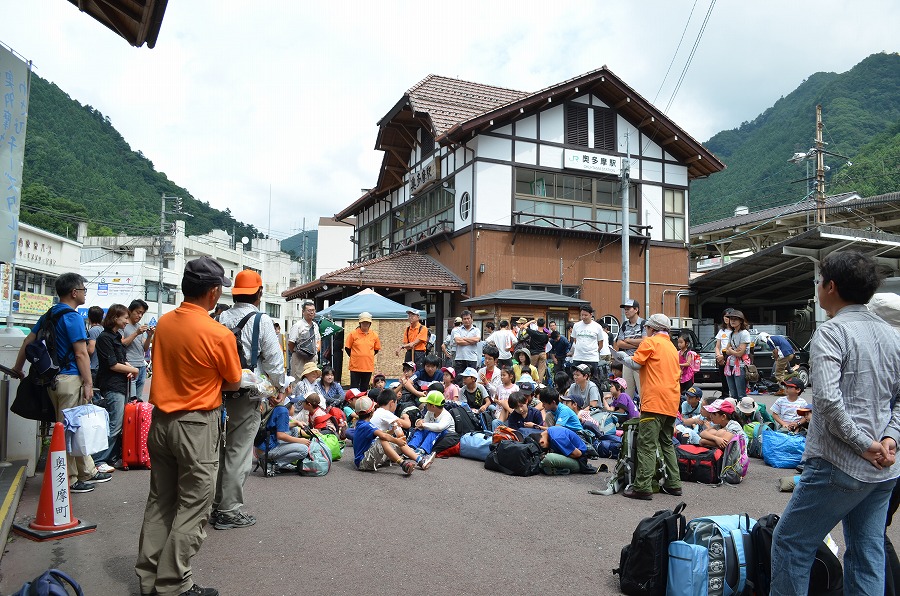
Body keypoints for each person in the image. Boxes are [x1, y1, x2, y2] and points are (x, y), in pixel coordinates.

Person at [772, 250, 900, 595]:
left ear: (830, 286)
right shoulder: (893, 336)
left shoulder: (831, 332)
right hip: (886, 468)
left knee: (790, 543)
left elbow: (827, 400)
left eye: (819, 280)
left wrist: (864, 444)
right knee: (866, 549)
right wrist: (889, 438)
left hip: (838, 462)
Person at [135, 256, 242, 596]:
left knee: (160, 501)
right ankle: (174, 585)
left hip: (161, 423)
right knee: (194, 505)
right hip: (196, 426)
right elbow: (234, 381)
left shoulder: (164, 323)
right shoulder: (218, 333)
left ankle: (149, 579)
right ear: (213, 292)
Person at [11, 273, 112, 494]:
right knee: (68, 432)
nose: (85, 293)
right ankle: (69, 479)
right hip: (70, 380)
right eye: (84, 289)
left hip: (52, 380)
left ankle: (86, 472)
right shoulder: (73, 317)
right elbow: (81, 354)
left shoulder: (50, 313)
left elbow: (28, 341)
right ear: (74, 292)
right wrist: (88, 382)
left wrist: (18, 368)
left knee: (71, 429)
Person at [211, 269, 286, 532]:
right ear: (259, 294)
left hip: (218, 393)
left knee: (221, 449)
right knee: (238, 451)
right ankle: (228, 511)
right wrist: (280, 386)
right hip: (247, 395)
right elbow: (274, 362)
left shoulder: (220, 318)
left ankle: (216, 503)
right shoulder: (261, 320)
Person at [615, 313, 682, 500]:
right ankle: (674, 484)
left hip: (654, 400)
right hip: (671, 400)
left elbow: (635, 364)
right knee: (666, 442)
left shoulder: (650, 342)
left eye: (647, 328)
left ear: (651, 328)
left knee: (647, 444)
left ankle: (643, 486)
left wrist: (620, 357)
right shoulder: (672, 347)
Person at [92, 303, 140, 472]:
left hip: (120, 384)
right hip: (112, 385)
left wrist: (128, 369)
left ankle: (111, 458)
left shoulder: (115, 336)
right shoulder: (104, 338)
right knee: (114, 424)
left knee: (118, 423)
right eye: (125, 318)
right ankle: (98, 461)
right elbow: (112, 364)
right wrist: (133, 369)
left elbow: (120, 360)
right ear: (115, 318)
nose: (127, 321)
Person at [351, 396, 418, 475]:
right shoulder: (366, 426)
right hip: (363, 463)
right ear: (372, 411)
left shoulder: (362, 424)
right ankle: (403, 464)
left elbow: (382, 434)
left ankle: (419, 460)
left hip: (369, 458)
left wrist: (392, 431)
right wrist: (396, 440)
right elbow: (383, 436)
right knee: (382, 440)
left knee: (395, 443)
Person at [256, 394, 309, 474]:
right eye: (293, 405)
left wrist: (296, 423)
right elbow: (280, 435)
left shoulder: (277, 407)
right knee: (304, 450)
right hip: (266, 449)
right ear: (289, 407)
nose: (294, 408)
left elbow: (277, 426)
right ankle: (272, 465)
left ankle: (281, 462)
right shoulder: (283, 412)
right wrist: (300, 440)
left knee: (293, 429)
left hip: (262, 445)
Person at [121, 299, 154, 399]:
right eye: (138, 312)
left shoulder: (139, 326)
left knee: (139, 401)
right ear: (130, 310)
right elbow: (122, 344)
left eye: (142, 314)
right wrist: (136, 333)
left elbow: (145, 348)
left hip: (141, 366)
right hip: (130, 365)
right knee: (132, 399)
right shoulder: (123, 325)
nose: (140, 316)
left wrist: (149, 336)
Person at [408, 390, 453, 461]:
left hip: (445, 439)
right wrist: (420, 424)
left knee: (435, 431)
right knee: (420, 429)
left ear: (433, 406)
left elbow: (439, 427)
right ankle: (411, 447)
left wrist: (423, 424)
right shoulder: (430, 412)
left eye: (427, 403)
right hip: (433, 438)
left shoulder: (446, 416)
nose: (425, 405)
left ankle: (422, 450)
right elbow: (425, 423)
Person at [614, 299, 646, 399]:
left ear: (636, 309)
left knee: (642, 391)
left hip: (640, 360)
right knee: (627, 391)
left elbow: (645, 341)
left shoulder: (644, 323)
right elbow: (619, 343)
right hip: (627, 360)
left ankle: (643, 413)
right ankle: (629, 413)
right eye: (625, 309)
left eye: (628, 309)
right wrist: (636, 343)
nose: (626, 311)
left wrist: (628, 340)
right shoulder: (624, 325)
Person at [344, 311, 381, 391]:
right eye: (363, 322)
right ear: (360, 322)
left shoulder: (374, 335)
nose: (365, 324)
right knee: (354, 388)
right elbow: (347, 348)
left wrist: (367, 355)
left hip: (368, 366)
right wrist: (356, 356)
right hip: (355, 367)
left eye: (367, 322)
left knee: (364, 388)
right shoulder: (353, 334)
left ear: (370, 323)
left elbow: (376, 349)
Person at [570, 305, 604, 381]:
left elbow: (601, 343)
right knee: (576, 378)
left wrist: (594, 351)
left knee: (592, 379)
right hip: (578, 357)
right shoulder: (576, 325)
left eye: (586, 315)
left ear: (591, 315)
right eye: (582, 315)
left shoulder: (597, 326)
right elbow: (575, 340)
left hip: (592, 358)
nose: (583, 317)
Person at [722, 310, 750, 400]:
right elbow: (726, 350)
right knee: (733, 395)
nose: (732, 321)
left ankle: (743, 412)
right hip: (730, 365)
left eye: (735, 319)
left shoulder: (744, 333)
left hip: (741, 366)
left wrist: (731, 350)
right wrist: (733, 351)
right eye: (731, 319)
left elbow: (740, 353)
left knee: (741, 395)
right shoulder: (731, 334)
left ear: (741, 321)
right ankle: (735, 413)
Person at [288, 299, 321, 375]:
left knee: (312, 378)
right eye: (309, 310)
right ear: (303, 312)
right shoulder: (297, 325)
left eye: (313, 310)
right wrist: (296, 352)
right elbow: (291, 343)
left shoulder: (315, 326)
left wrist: (315, 351)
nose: (312, 312)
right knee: (298, 379)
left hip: (312, 358)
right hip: (299, 359)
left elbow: (318, 340)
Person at [519, 318, 549, 382]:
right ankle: (539, 383)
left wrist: (531, 321)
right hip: (542, 353)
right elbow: (546, 343)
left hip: (534, 353)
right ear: (544, 325)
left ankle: (530, 381)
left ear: (537, 324)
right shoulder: (545, 336)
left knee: (530, 368)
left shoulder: (533, 333)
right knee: (541, 370)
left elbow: (524, 326)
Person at [451, 310, 480, 378]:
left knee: (471, 379)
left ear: (472, 319)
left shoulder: (476, 330)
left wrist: (463, 338)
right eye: (464, 319)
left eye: (468, 318)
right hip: (459, 358)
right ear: (462, 320)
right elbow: (458, 341)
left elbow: (477, 339)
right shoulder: (457, 330)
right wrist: (471, 340)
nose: (466, 320)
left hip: (472, 358)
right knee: (459, 379)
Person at [714, 309, 733, 398]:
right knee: (723, 378)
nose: (726, 318)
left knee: (732, 378)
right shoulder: (722, 331)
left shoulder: (736, 331)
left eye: (728, 316)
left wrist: (723, 356)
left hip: (731, 357)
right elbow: (717, 346)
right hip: (721, 358)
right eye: (725, 316)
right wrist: (718, 356)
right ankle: (725, 395)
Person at [86, 305, 104, 386]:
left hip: (94, 366)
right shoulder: (103, 329)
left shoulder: (93, 331)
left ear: (89, 317)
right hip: (101, 366)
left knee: (94, 393)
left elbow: (90, 349)